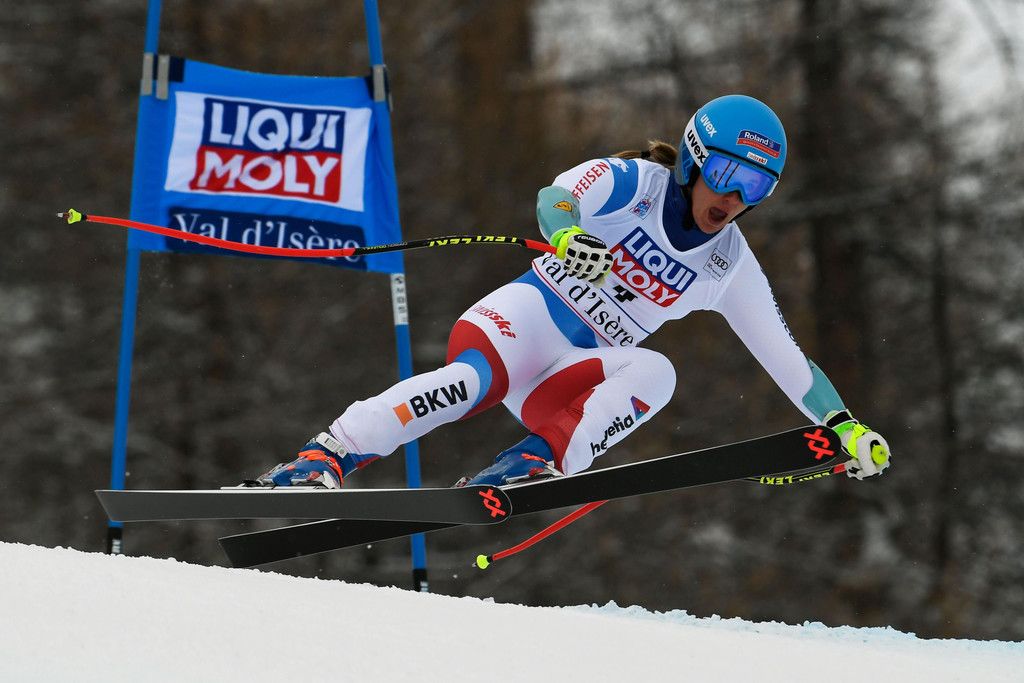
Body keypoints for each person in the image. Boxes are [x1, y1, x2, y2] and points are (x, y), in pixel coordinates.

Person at [251, 94, 891, 490]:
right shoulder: (636, 183)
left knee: (659, 373)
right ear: (695, 159)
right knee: (468, 386)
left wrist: (844, 425)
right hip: (524, 322)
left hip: (570, 375)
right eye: (725, 173)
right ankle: (325, 456)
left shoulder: (729, 265)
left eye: (754, 187)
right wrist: (568, 236)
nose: (732, 197)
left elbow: (786, 357)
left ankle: (535, 462)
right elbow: (557, 195)